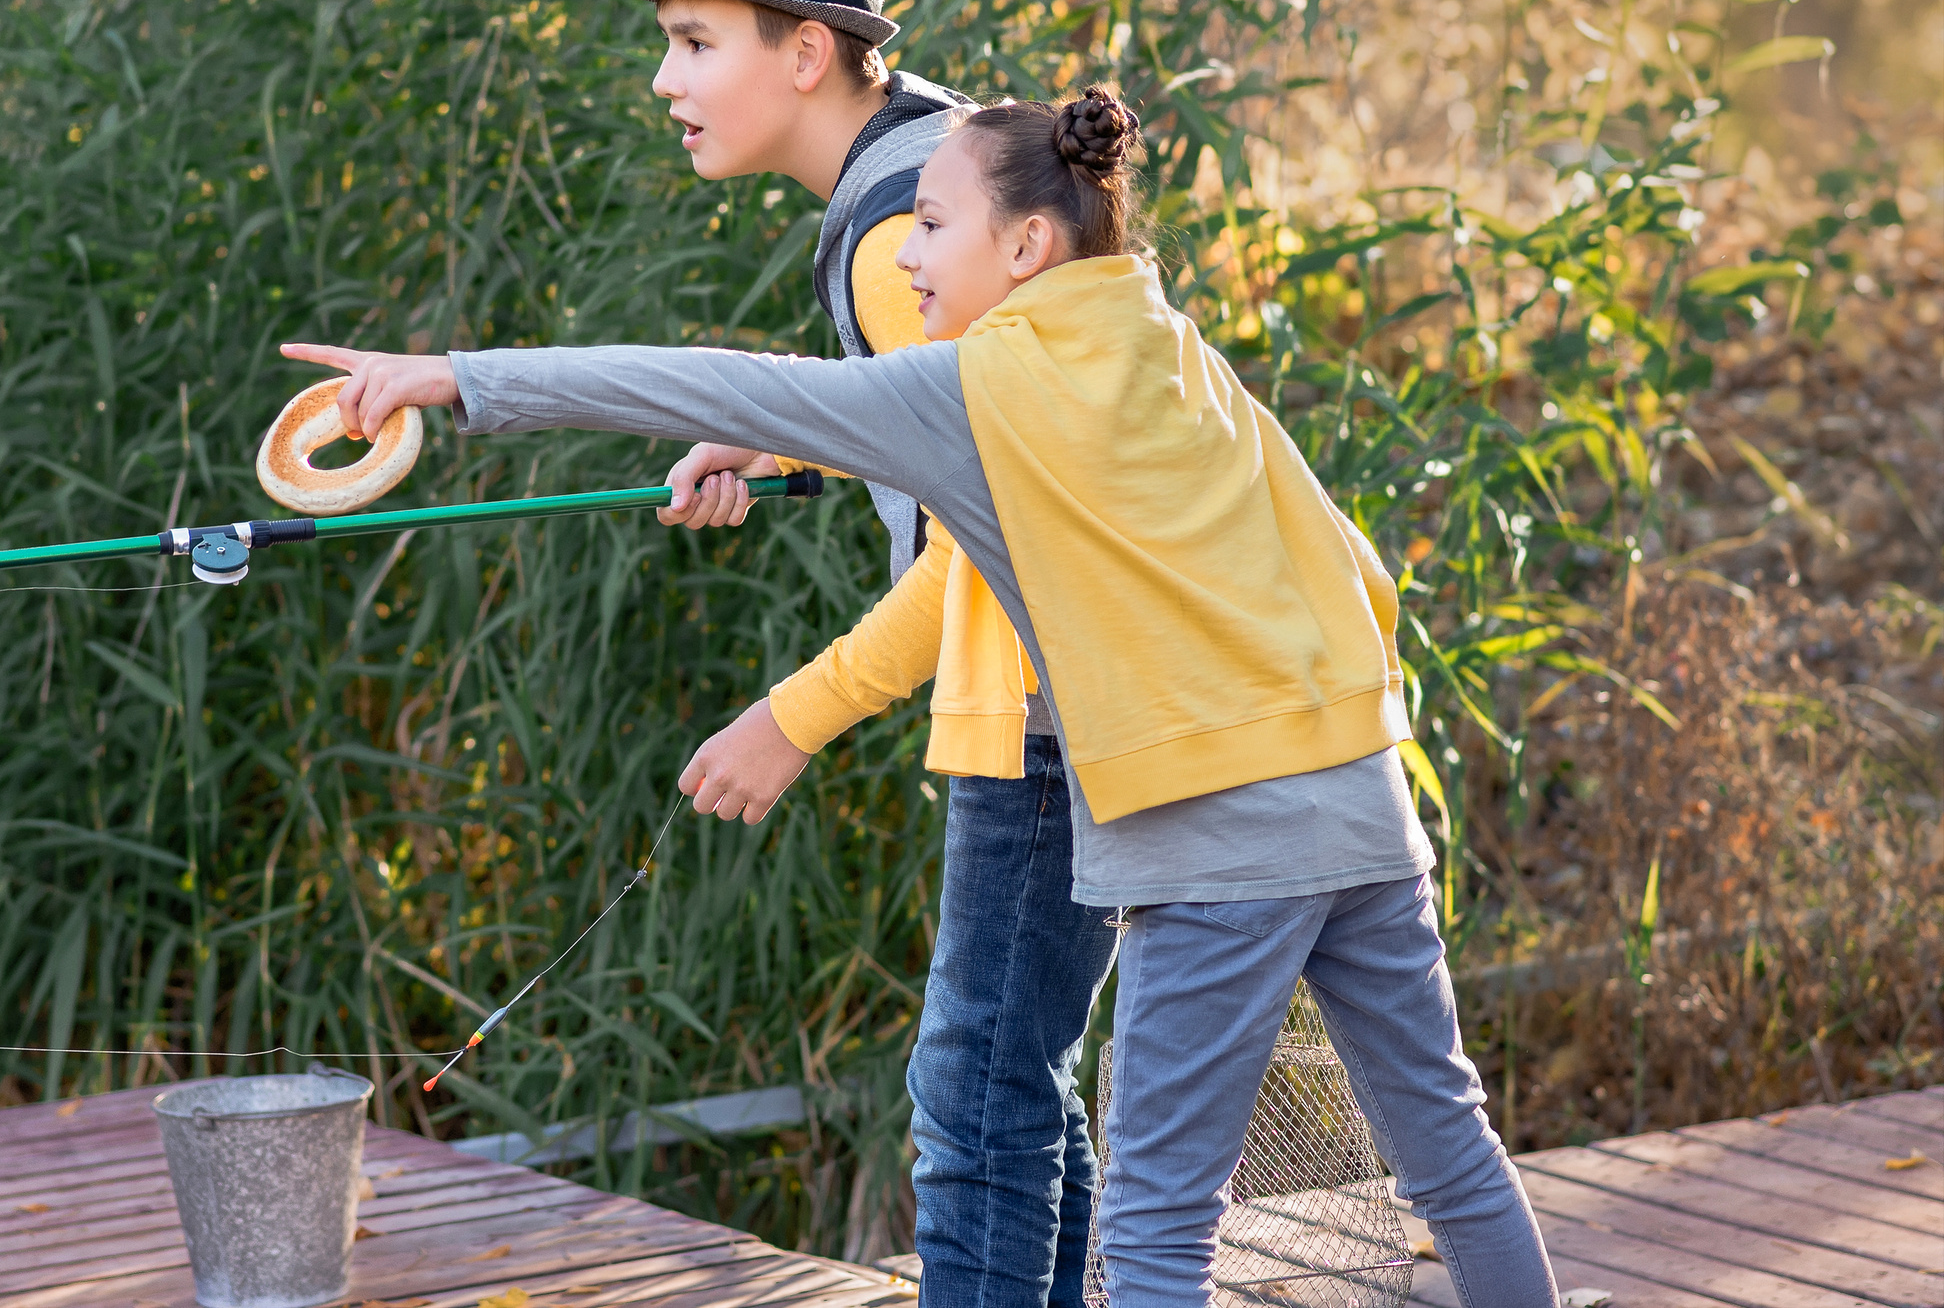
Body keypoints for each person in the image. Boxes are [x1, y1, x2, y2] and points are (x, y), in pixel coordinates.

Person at [280, 87, 1559, 1308]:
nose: (903, 258)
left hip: (1216, 841)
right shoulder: (1174, 353)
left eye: (931, 224)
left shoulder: (981, 387)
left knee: (1159, 1218)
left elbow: (707, 379)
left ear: (1027, 241)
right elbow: (1340, 555)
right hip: (1362, 801)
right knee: (1445, 1147)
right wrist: (793, 438)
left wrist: (454, 377)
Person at [619, 0, 1116, 1307]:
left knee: (972, 1102)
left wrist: (796, 714)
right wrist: (791, 427)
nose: (668, 79)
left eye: (696, 42)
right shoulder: (934, 157)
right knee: (1023, 1080)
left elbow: (990, 523)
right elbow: (989, 417)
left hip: (1036, 697)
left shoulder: (894, 221)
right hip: (1093, 684)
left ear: (807, 52)